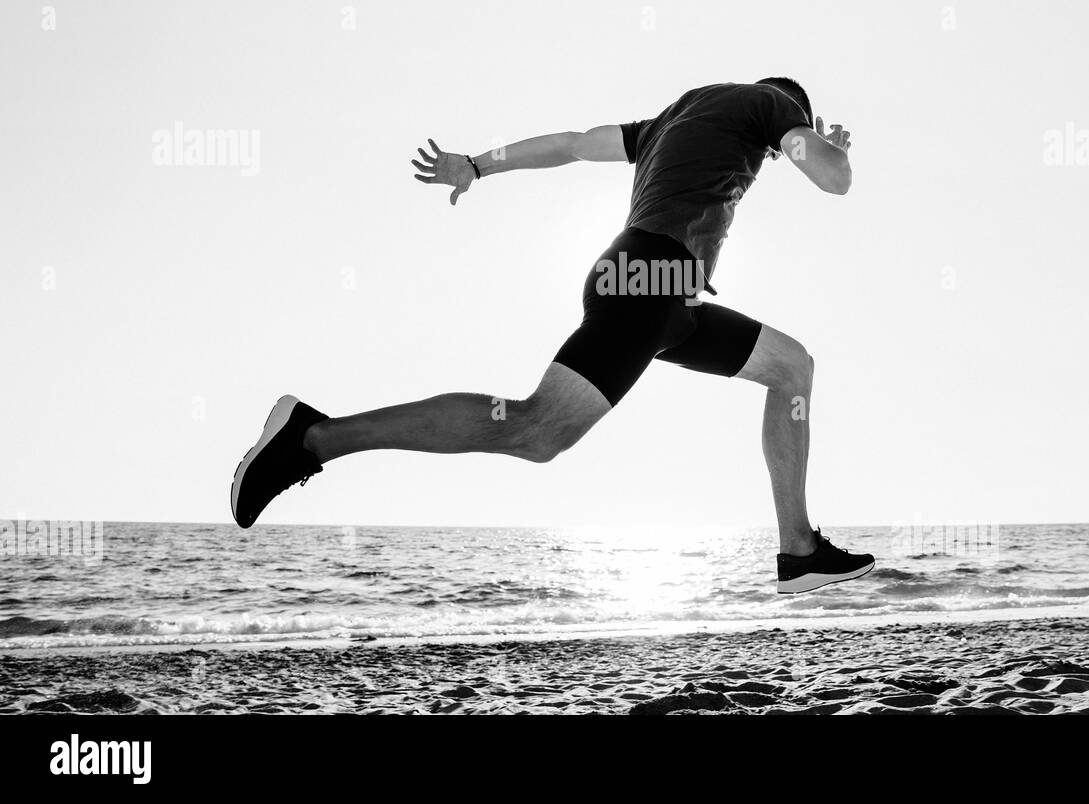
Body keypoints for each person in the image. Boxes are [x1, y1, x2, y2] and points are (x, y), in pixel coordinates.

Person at [230, 78, 875, 593]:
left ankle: (798, 549)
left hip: (658, 293)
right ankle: (313, 437)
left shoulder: (670, 122)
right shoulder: (770, 103)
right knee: (535, 430)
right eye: (772, 145)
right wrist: (827, 149)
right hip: (650, 280)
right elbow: (831, 177)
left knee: (791, 367)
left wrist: (479, 165)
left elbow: (571, 144)